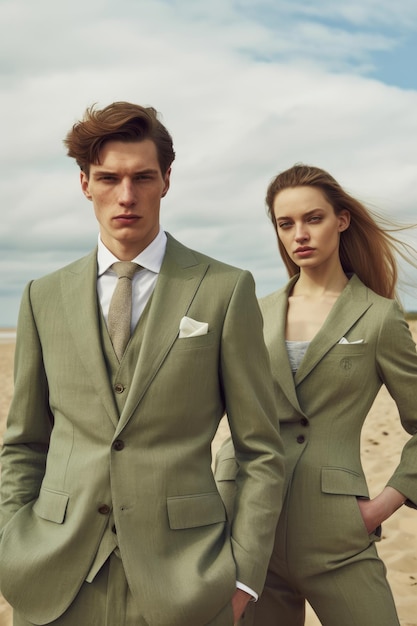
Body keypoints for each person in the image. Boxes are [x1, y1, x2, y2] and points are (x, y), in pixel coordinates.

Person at [0, 101, 285, 626]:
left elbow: (261, 450)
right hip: (54, 578)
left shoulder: (225, 289)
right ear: (84, 183)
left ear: (166, 181)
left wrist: (243, 576)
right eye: (108, 178)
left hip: (187, 579)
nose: (126, 196)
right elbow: (24, 442)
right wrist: (10, 542)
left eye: (142, 177)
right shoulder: (43, 295)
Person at [215, 164, 417, 626]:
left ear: (341, 220)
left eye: (313, 219)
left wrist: (384, 504)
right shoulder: (251, 311)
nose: (299, 234)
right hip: (247, 530)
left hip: (336, 534)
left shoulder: (378, 316)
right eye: (285, 224)